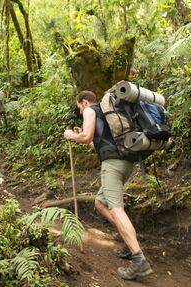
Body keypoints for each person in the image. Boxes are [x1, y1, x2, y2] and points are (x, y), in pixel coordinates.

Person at [63, 90, 152, 280]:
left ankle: (138, 260)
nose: (80, 112)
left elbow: (86, 137)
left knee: (116, 208)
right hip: (126, 162)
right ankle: (130, 245)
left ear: (84, 102)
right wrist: (82, 135)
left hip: (112, 164)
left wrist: (71, 135)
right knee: (100, 203)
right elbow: (95, 142)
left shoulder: (90, 110)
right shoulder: (108, 113)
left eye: (79, 107)